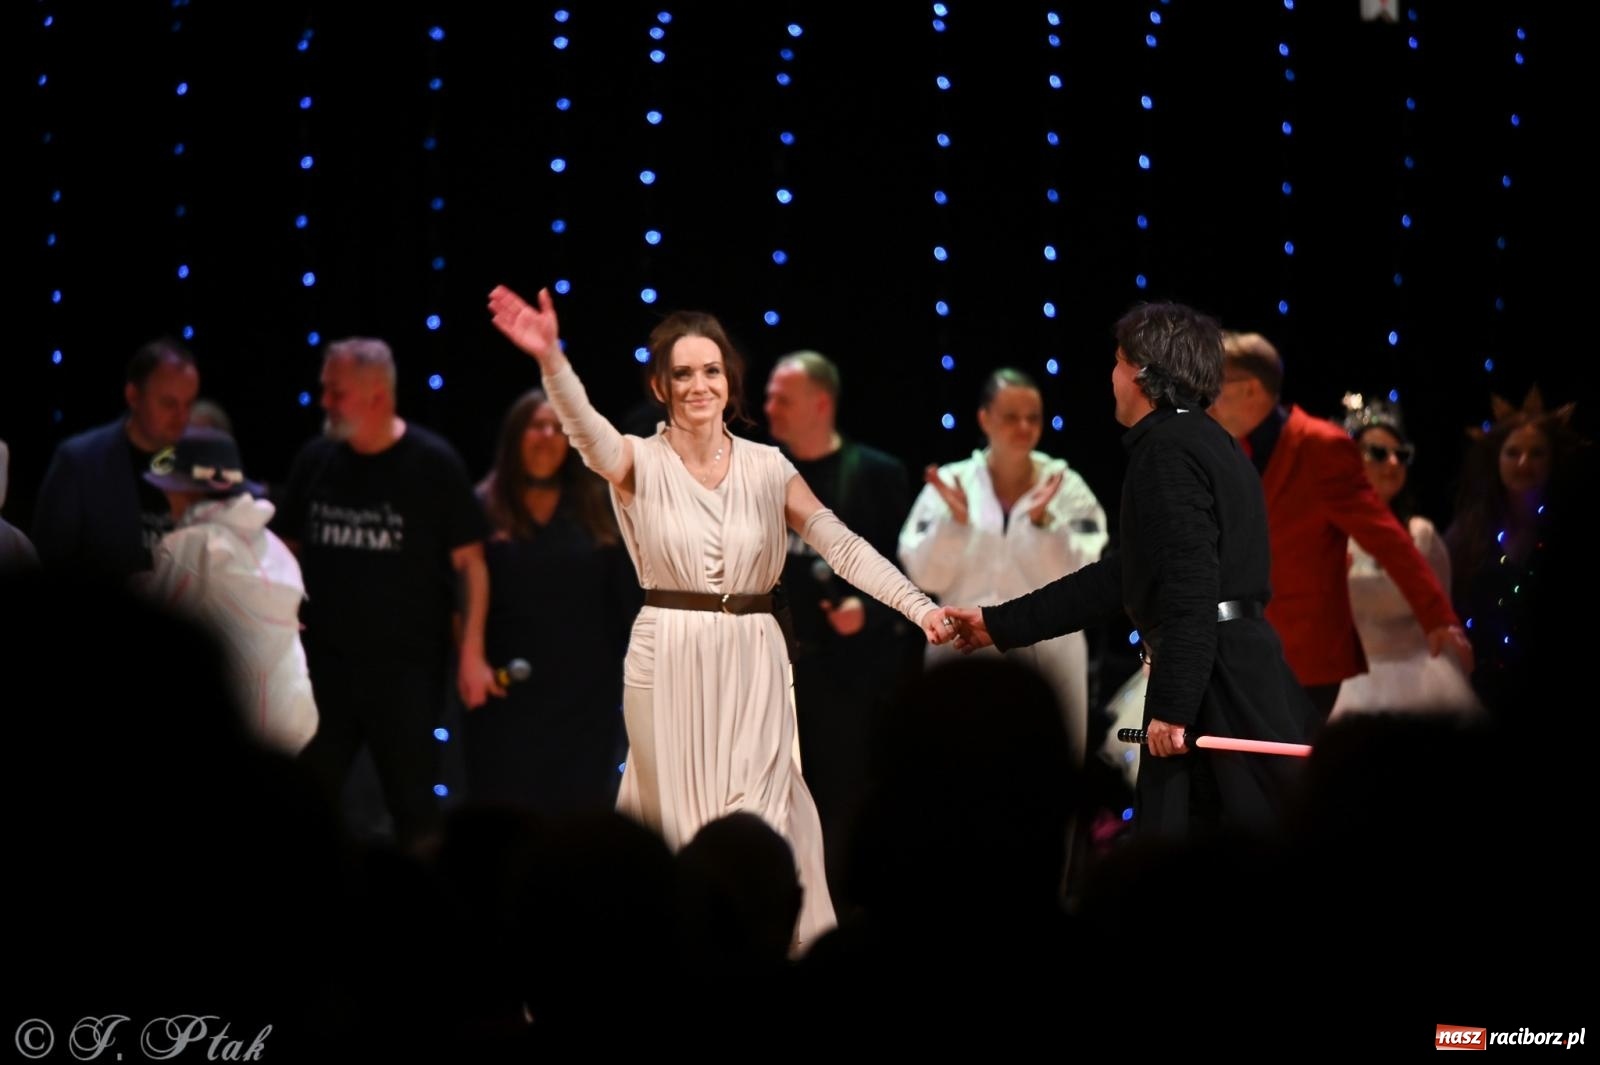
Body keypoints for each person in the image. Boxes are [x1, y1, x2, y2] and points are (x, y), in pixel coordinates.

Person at [487, 284, 950, 948]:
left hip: (755, 654)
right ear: (660, 384)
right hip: (667, 652)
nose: (699, 384)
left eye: (711, 370)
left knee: (760, 822)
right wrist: (551, 361)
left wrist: (918, 607)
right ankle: (683, 971)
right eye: (683, 372)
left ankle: (758, 963)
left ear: (729, 382)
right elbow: (586, 433)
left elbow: (839, 543)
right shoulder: (637, 461)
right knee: (678, 824)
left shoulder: (768, 467)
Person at [943, 302, 1316, 838]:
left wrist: (1173, 707)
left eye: (1117, 363)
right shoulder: (1213, 442)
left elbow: (1190, 583)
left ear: (1142, 373)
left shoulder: (1166, 449)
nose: (1112, 377)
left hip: (1215, 682)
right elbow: (1127, 576)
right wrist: (999, 624)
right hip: (1232, 664)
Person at [271, 337, 493, 848]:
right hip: (321, 668)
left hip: (406, 672)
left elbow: (471, 565)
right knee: (305, 796)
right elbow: (284, 547)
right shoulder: (317, 459)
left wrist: (473, 651)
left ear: (376, 395)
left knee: (414, 804)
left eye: (335, 391)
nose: (324, 401)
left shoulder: (432, 463)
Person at [1205, 331, 1471, 719]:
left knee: (1287, 773)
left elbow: (1387, 538)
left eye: (1215, 386)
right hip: (1244, 652)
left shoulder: (1319, 447)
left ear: (1250, 391)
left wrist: (1437, 616)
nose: (1206, 401)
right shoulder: (1228, 447)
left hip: (1307, 657)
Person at [762, 350, 923, 903]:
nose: (769, 407)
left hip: (850, 684)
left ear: (820, 403)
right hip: (770, 672)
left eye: (782, 397)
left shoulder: (877, 474)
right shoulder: (759, 469)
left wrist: (868, 611)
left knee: (842, 807)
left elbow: (909, 574)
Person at [899, 367, 1108, 760]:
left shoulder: (1066, 486)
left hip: (1049, 655)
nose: (1024, 427)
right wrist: (954, 524)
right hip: (961, 655)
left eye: (1034, 417)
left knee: (1047, 775)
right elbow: (922, 575)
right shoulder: (952, 483)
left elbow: (1086, 579)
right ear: (984, 419)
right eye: (1011, 417)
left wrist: (1045, 524)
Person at [465, 389, 640, 815]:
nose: (547, 436)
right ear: (514, 437)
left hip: (585, 700)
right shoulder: (481, 508)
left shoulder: (599, 506)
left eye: (559, 429)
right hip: (506, 693)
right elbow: (459, 597)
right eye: (536, 426)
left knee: (578, 816)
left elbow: (625, 605)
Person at [139, 426, 319, 754]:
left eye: (173, 487)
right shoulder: (274, 547)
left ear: (190, 492)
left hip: (237, 725)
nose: (167, 496)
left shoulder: (193, 544)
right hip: (293, 721)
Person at [1331, 394, 1482, 720]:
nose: (1393, 464)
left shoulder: (1421, 534)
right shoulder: (1332, 536)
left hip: (1423, 680)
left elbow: (1444, 618)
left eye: (1401, 455)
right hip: (1355, 684)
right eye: (1379, 453)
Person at [1445, 387, 1586, 717]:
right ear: (1496, 459)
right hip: (1479, 698)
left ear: (1553, 459)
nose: (1524, 463)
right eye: (1513, 452)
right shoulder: (1467, 535)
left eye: (1537, 453)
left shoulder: (1570, 528)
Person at [31, 336, 199, 578]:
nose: (181, 416)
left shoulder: (197, 461)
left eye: (189, 403)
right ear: (133, 396)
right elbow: (48, 561)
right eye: (168, 403)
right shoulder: (80, 462)